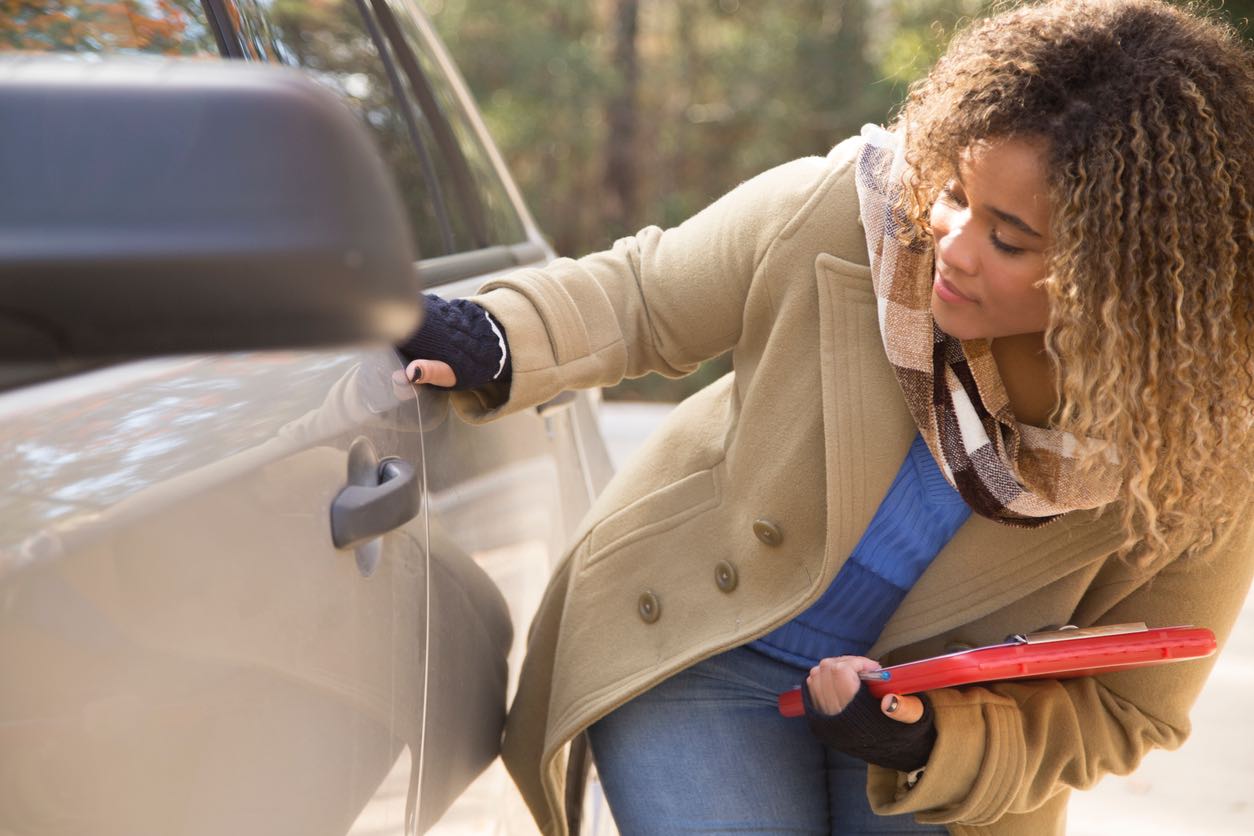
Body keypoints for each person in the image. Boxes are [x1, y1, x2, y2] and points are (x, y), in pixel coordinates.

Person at [398, 0, 1254, 832]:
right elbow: (644, 299)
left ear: (1117, 275)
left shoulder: (1200, 442)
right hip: (702, 641)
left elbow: (1127, 704)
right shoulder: (860, 215)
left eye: (1009, 238)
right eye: (955, 190)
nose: (948, 243)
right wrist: (499, 334)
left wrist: (929, 739)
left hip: (940, 735)